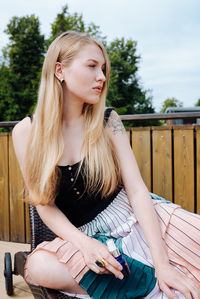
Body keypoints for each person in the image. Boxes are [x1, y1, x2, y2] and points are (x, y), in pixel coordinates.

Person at [12, 31, 200, 299]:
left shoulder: (109, 120)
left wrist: (162, 263)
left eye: (103, 69)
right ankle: (149, 286)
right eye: (91, 66)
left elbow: (137, 191)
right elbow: (45, 205)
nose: (101, 76)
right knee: (39, 266)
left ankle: (154, 277)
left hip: (134, 218)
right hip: (82, 236)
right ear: (59, 70)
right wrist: (85, 244)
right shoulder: (26, 133)